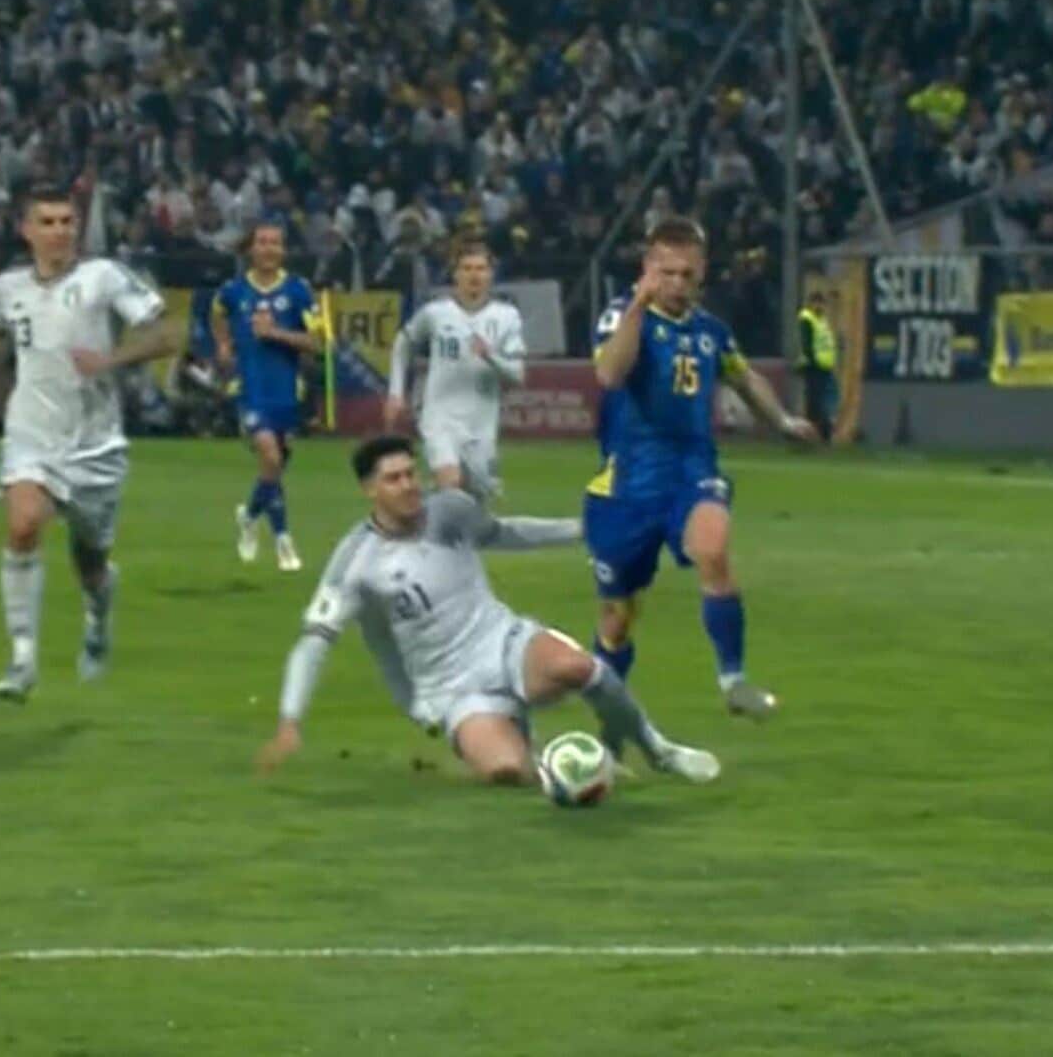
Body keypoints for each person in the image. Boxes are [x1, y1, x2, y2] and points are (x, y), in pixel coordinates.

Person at [256, 435, 720, 790]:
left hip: (503, 642)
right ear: (369, 490)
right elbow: (314, 642)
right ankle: (557, 763)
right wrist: (290, 720)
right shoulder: (356, 564)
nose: (409, 485)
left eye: (411, 473)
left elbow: (504, 533)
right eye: (393, 479)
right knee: (506, 772)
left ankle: (657, 749)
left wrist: (585, 531)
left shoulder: (448, 511)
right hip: (452, 689)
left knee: (577, 667)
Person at [0, 190, 176, 702]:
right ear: (27, 231)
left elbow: (163, 336)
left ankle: (98, 613)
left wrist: (110, 360)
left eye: (68, 221)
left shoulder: (103, 277)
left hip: (96, 444)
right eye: (47, 222)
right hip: (31, 433)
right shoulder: (9, 286)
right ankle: (22, 658)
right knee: (23, 525)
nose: (60, 231)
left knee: (90, 563)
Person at [586, 218, 817, 717]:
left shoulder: (710, 331)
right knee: (617, 620)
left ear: (702, 272)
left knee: (713, 549)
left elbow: (744, 378)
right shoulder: (621, 317)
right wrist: (638, 307)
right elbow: (609, 374)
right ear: (648, 268)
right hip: (628, 483)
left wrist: (782, 421)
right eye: (666, 273)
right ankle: (610, 722)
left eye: (687, 275)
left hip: (692, 470)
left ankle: (734, 681)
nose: (677, 284)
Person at [213, 223, 327, 572]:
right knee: (271, 457)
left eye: (275, 243)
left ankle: (249, 516)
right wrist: (223, 345)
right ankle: (283, 541)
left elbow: (318, 343)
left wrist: (275, 333)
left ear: (283, 250)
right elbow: (217, 313)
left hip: (287, 392)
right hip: (250, 390)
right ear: (251, 249)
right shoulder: (234, 290)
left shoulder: (298, 291)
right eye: (262, 242)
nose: (268, 248)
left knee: (273, 469)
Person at [384, 237, 525, 501]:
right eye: (467, 268)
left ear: (491, 275)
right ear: (455, 274)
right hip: (440, 416)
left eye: (481, 269)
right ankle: (432, 505)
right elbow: (403, 343)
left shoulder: (507, 317)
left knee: (473, 500)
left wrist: (491, 356)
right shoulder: (436, 313)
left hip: (481, 422)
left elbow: (517, 375)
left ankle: (426, 507)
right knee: (451, 483)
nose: (474, 275)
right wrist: (395, 392)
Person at [795, 290, 839, 441]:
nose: (820, 306)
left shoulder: (821, 320)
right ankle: (816, 434)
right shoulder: (807, 318)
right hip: (815, 366)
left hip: (825, 366)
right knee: (816, 403)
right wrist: (811, 360)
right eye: (817, 302)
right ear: (811, 303)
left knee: (823, 400)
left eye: (821, 303)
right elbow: (807, 343)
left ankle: (820, 433)